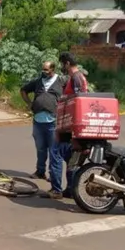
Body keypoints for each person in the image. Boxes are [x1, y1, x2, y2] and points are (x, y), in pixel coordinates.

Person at [45, 52, 89, 199]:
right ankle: (71, 190)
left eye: (63, 64)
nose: (62, 67)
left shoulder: (76, 78)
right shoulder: (77, 77)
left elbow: (78, 102)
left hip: (69, 128)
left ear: (67, 64)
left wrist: (73, 131)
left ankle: (56, 190)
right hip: (70, 127)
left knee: (55, 154)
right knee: (71, 160)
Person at [20, 61, 62, 181]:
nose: (43, 72)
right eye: (43, 69)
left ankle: (53, 176)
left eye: (46, 70)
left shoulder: (61, 81)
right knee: (40, 149)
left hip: (53, 122)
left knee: (54, 151)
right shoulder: (38, 81)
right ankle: (40, 172)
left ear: (53, 69)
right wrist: (29, 103)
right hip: (38, 121)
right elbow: (23, 90)